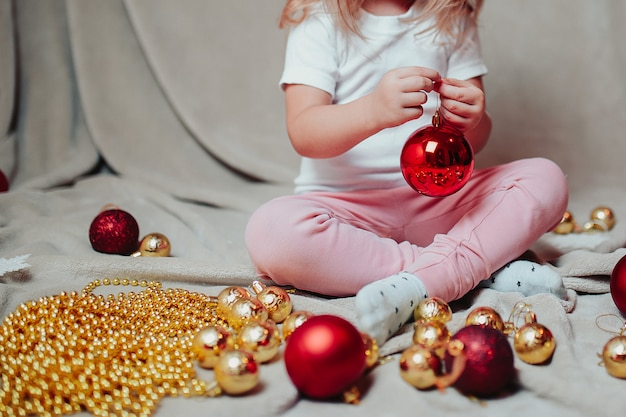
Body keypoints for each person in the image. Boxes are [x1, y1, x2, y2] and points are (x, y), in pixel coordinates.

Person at [245, 0, 569, 344]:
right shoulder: (320, 19)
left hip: (442, 206)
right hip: (348, 213)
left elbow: (476, 140)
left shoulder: (450, 16)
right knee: (271, 231)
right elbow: (304, 132)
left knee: (545, 178)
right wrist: (373, 110)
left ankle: (435, 274)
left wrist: (472, 120)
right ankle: (470, 269)